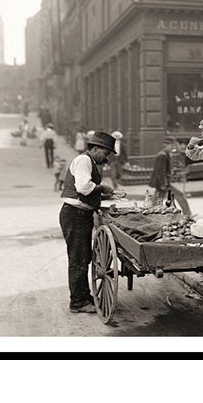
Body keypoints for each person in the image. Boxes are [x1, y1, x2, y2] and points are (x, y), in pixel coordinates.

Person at [59, 131, 116, 314]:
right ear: (96, 148)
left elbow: (87, 188)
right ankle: (77, 302)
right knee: (78, 259)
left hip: (80, 214)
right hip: (75, 214)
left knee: (83, 257)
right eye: (105, 154)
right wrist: (103, 187)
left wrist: (105, 194)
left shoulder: (88, 161)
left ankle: (83, 296)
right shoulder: (84, 160)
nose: (106, 159)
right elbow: (83, 188)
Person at [149, 136, 192, 217]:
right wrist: (163, 183)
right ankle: (187, 214)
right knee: (179, 195)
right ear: (166, 145)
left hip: (163, 182)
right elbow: (160, 171)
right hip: (163, 182)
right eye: (171, 146)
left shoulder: (165, 154)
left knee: (157, 199)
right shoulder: (163, 155)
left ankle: (150, 213)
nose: (172, 147)